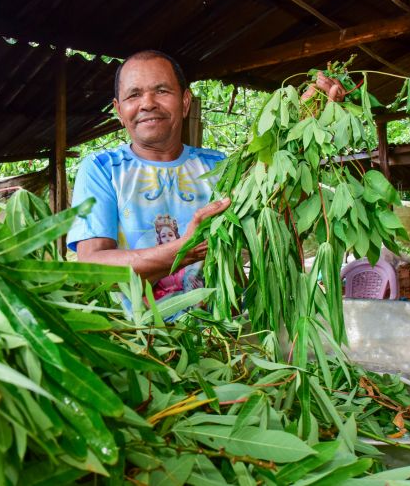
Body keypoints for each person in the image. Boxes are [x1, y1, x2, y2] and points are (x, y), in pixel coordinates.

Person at [66, 50, 344, 306]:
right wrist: (181, 250)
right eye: (133, 95)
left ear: (185, 102)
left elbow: (272, 216)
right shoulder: (102, 169)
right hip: (138, 341)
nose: (147, 103)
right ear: (119, 111)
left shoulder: (220, 166)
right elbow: (93, 266)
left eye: (161, 91)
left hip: (220, 337)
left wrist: (302, 126)